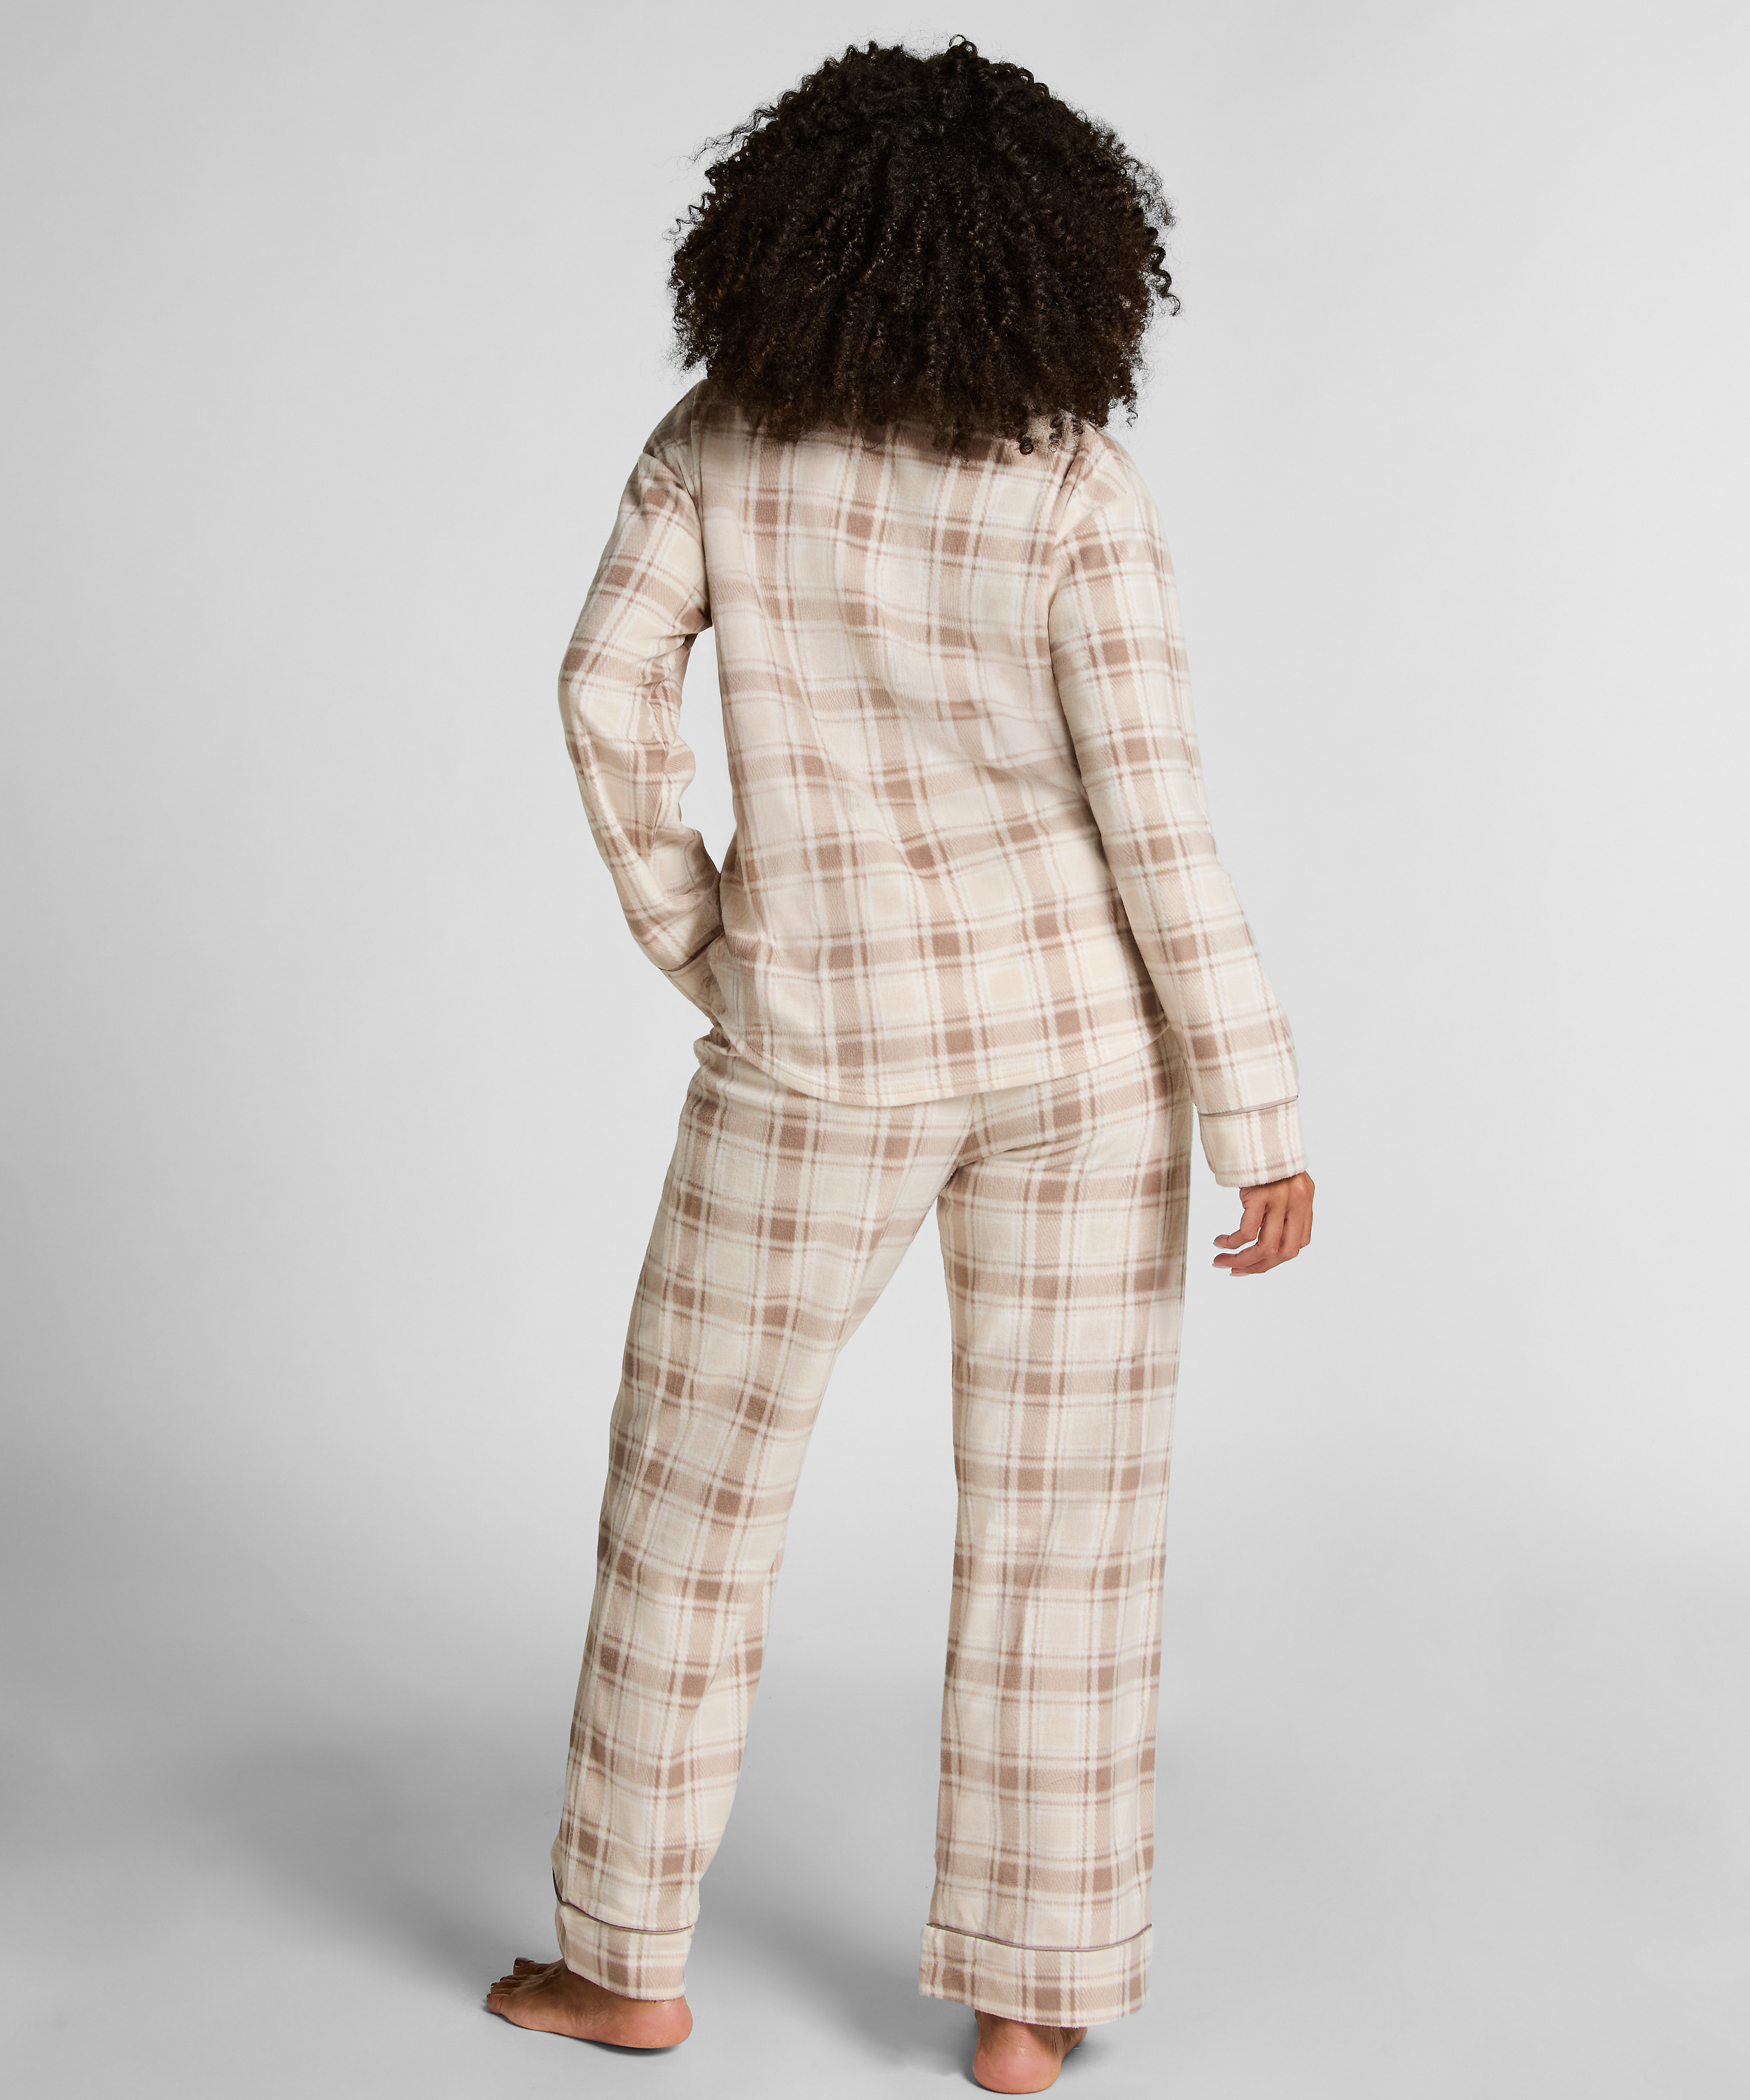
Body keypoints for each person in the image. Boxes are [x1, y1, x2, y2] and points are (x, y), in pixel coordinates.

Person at [486, 35, 1314, 2095]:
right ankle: (1032, 2003)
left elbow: (600, 697)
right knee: (1066, 1529)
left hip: (817, 1049)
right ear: (1060, 258)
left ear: (783, 236)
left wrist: (711, 942)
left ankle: (622, 1963)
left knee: (690, 1497)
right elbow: (1158, 819)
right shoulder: (1072, 483)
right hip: (1084, 1058)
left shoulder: (716, 445)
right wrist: (1258, 1106)